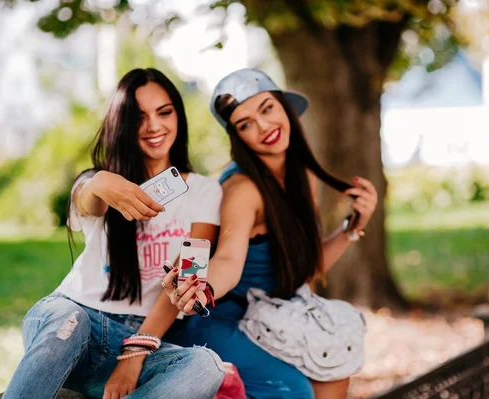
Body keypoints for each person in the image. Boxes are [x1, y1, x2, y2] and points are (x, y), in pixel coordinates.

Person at [153, 68, 376, 398]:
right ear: (238, 137)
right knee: (294, 391)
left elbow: (304, 266)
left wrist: (351, 227)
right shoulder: (242, 189)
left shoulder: (301, 175)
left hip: (271, 312)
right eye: (245, 124)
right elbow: (224, 257)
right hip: (216, 319)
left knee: (333, 368)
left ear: (284, 106)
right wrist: (196, 287)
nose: (263, 127)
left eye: (267, 109)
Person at [3, 68, 225, 399]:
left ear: (179, 116)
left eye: (164, 112)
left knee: (206, 366)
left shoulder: (205, 191)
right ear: (121, 123)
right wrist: (102, 182)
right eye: (139, 117)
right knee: (70, 318)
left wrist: (134, 354)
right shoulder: (99, 182)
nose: (153, 126)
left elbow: (186, 275)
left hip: (138, 337)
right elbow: (87, 199)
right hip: (69, 324)